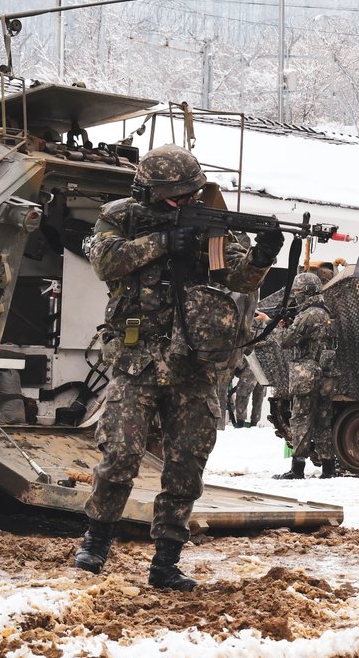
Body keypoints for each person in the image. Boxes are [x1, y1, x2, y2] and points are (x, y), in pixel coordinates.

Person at [72, 145, 283, 589]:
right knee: (121, 456)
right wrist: (164, 243)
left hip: (194, 363)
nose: (186, 203)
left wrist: (262, 257)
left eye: (190, 194)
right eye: (175, 197)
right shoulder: (121, 216)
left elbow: (238, 279)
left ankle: (166, 561)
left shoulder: (213, 222)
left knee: (187, 465)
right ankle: (96, 541)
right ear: (148, 193)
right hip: (137, 358)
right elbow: (106, 261)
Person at [273, 272, 339, 479]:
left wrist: (273, 325)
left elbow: (286, 341)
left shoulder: (309, 315)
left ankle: (297, 468)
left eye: (298, 293)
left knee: (300, 419)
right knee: (322, 421)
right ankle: (328, 468)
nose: (296, 297)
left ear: (306, 293)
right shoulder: (325, 312)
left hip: (307, 375)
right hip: (325, 375)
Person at [230, 320, 268, 428]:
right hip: (260, 363)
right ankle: (252, 423)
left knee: (244, 393)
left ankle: (243, 423)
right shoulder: (262, 322)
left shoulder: (254, 321)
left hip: (254, 363)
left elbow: (247, 344)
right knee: (258, 396)